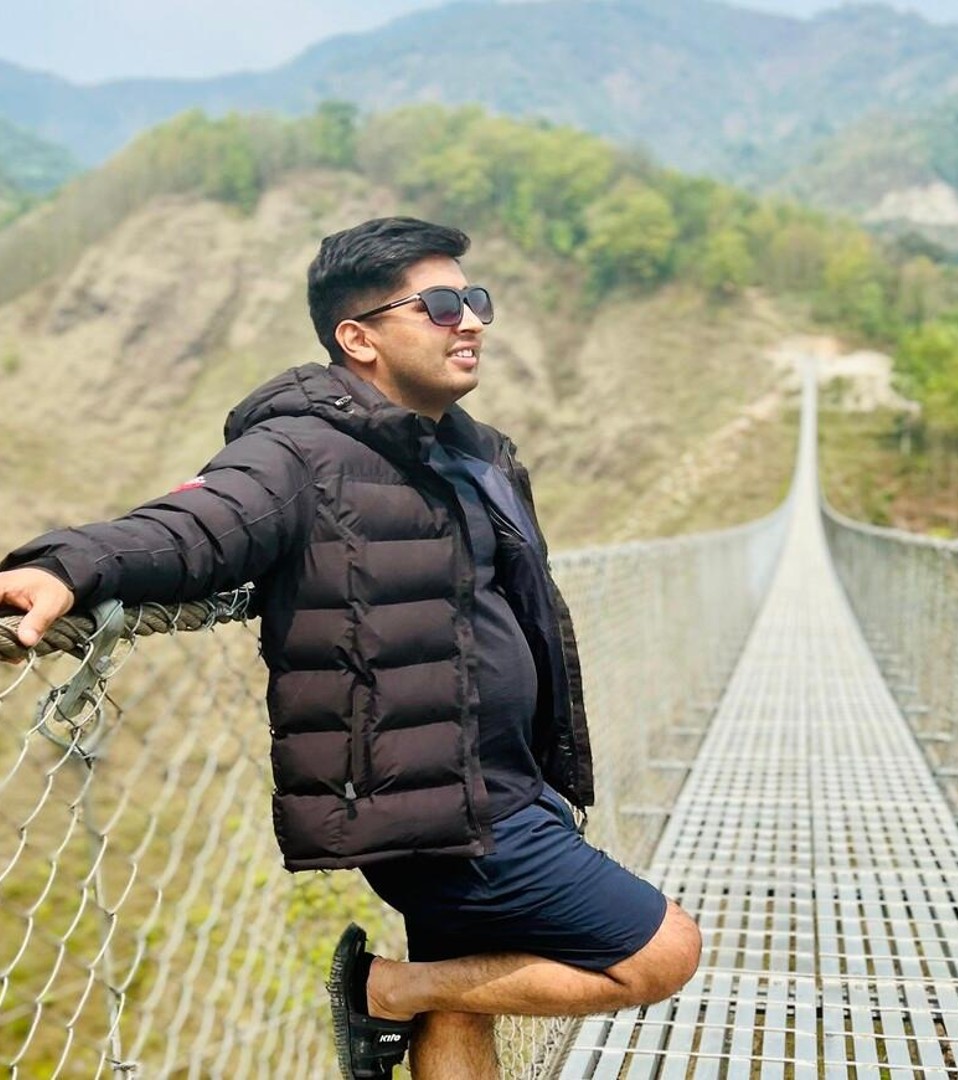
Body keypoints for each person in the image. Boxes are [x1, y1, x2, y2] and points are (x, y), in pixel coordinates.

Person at [0, 217, 702, 1079]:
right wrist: (63, 566)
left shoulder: (473, 451)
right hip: (441, 815)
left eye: (475, 301)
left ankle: (416, 993)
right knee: (661, 953)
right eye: (439, 306)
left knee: (461, 1000)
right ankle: (383, 990)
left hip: (492, 781)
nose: (470, 321)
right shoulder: (297, 452)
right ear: (358, 338)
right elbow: (197, 524)